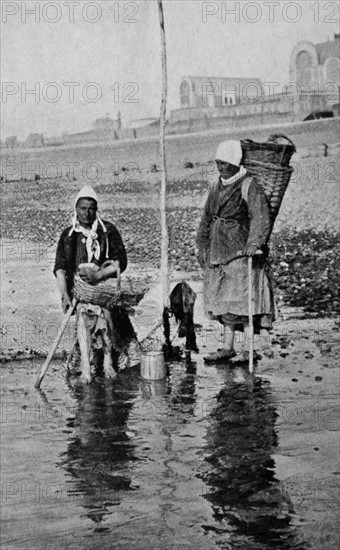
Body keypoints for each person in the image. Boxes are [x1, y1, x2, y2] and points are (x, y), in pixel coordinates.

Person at [196, 140, 275, 363]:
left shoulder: (248, 185)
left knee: (243, 300)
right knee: (223, 300)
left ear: (235, 163)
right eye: (218, 163)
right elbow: (206, 218)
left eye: (225, 164)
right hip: (218, 247)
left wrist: (254, 243)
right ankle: (227, 346)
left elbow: (259, 217)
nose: (221, 168)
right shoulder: (215, 187)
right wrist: (202, 244)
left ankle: (248, 349)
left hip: (240, 250)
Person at [54, 185, 140, 383]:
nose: (87, 212)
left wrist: (100, 275)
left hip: (104, 290)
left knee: (107, 323)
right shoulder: (69, 235)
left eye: (91, 208)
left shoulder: (107, 231)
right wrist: (66, 296)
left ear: (96, 209)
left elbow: (120, 262)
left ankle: (108, 363)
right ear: (76, 209)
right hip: (80, 292)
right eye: (83, 208)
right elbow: (60, 268)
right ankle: (86, 368)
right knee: (84, 322)